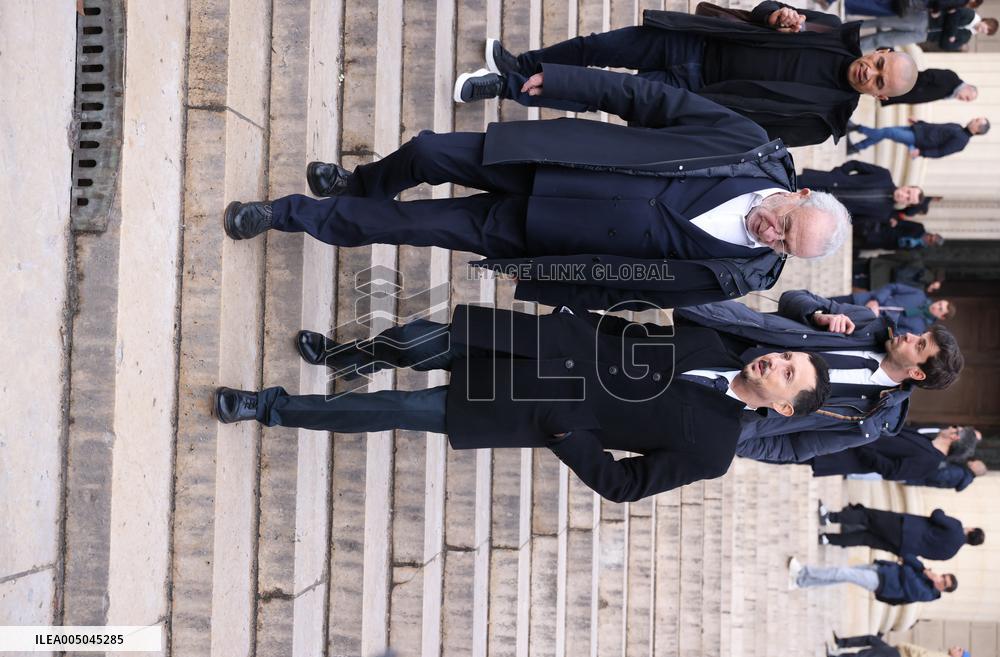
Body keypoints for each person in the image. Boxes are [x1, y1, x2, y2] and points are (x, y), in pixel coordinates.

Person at [224, 67, 850, 312]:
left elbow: (632, 291)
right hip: (553, 163)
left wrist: (550, 282)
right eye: (784, 223)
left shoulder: (739, 276)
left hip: (540, 234)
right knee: (429, 151)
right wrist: (571, 83)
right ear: (798, 195)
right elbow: (652, 100)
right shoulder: (747, 146)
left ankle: (285, 213)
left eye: (783, 245)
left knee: (408, 225)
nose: (772, 234)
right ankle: (361, 183)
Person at [212, 305, 832, 503]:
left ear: (782, 408)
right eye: (784, 355)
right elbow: (630, 330)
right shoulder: (711, 342)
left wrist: (569, 435)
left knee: (393, 410)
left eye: (787, 374)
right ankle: (351, 355)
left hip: (530, 406)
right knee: (414, 340)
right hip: (534, 345)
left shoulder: (714, 449)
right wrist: (578, 319)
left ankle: (269, 407)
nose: (773, 363)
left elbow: (624, 485)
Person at [452, 1, 919, 146]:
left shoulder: (824, 121)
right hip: (696, 41)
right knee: (597, 46)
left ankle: (504, 86)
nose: (870, 72)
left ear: (881, 97)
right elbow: (764, 12)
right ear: (882, 50)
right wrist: (777, 13)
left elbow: (752, 134)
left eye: (879, 82)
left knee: (598, 92)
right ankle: (522, 64)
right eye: (879, 63)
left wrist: (687, 121)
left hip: (692, 92)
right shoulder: (833, 29)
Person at [672, 290, 964, 462]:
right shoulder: (867, 324)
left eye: (919, 346)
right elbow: (794, 297)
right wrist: (817, 314)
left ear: (916, 372)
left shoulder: (869, 421)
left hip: (718, 410)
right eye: (921, 336)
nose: (911, 336)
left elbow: (793, 448)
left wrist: (735, 439)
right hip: (717, 341)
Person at [817, 502, 984, 559]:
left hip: (906, 528)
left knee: (867, 517)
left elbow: (937, 516)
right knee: (865, 539)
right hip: (903, 548)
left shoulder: (957, 527)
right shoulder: (951, 553)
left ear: (971, 530)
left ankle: (830, 517)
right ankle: (827, 539)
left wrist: (941, 511)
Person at [810, 426, 976, 479]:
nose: (951, 427)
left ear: (954, 436)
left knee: (800, 452)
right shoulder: (928, 441)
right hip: (846, 437)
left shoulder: (930, 462)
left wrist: (864, 446)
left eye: (956, 428)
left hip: (843, 455)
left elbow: (892, 471)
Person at [789, 555, 957, 605]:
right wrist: (923, 569)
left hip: (881, 583)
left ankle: (802, 571)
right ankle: (801, 582)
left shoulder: (928, 594)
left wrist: (923, 572)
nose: (940, 580)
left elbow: (908, 579)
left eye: (944, 583)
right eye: (943, 577)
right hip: (883, 569)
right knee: (841, 576)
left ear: (943, 590)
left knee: (841, 572)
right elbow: (909, 558)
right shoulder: (927, 576)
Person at [797, 160, 923, 226]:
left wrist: (836, 215)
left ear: (907, 204)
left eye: (908, 199)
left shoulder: (883, 214)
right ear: (907, 186)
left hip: (824, 207)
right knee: (789, 183)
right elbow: (855, 165)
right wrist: (837, 174)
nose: (904, 195)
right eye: (908, 192)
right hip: (826, 182)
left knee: (790, 205)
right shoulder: (884, 175)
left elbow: (854, 220)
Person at [832, 283, 955, 335]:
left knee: (832, 322)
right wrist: (876, 300)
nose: (936, 306)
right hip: (862, 300)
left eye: (940, 309)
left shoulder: (919, 328)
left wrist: (875, 320)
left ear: (941, 317)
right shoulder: (919, 294)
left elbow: (893, 334)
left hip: (863, 322)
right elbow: (894, 287)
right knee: (827, 303)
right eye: (939, 303)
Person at [849, 117, 990, 159]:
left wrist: (921, 153)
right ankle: (856, 147)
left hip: (917, 140)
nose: (974, 119)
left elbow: (941, 152)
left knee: (887, 132)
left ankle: (856, 128)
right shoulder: (958, 126)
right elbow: (935, 127)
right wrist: (920, 122)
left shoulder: (962, 141)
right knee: (884, 132)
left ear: (978, 129)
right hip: (917, 129)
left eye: (977, 121)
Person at [827, 635, 970, 657]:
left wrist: (905, 646)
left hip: (900, 656)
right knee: (872, 640)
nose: (957, 647)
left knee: (866, 656)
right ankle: (840, 643)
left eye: (960, 651)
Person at [881, 69, 977, 106]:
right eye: (967, 97)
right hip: (904, 84)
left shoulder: (951, 93)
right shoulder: (952, 78)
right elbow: (929, 74)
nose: (964, 100)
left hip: (900, 93)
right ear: (968, 88)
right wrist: (917, 89)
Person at [926, 8, 998, 50]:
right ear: (985, 21)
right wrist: (951, 35)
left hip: (927, 36)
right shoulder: (970, 14)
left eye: (982, 32)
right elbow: (953, 15)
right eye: (983, 28)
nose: (980, 30)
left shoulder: (966, 38)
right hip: (930, 20)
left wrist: (949, 32)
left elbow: (946, 46)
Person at [853, 218, 942, 251]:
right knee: (860, 232)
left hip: (886, 243)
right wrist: (897, 222)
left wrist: (907, 245)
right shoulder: (920, 228)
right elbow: (906, 223)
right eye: (931, 236)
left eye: (931, 240)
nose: (929, 237)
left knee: (859, 243)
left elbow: (902, 249)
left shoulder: (919, 247)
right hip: (886, 232)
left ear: (931, 244)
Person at [906, 458, 987, 492]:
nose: (972, 461)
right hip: (915, 478)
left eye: (975, 462)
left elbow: (936, 475)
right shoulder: (963, 476)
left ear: (975, 467)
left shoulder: (960, 473)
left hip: (913, 473)